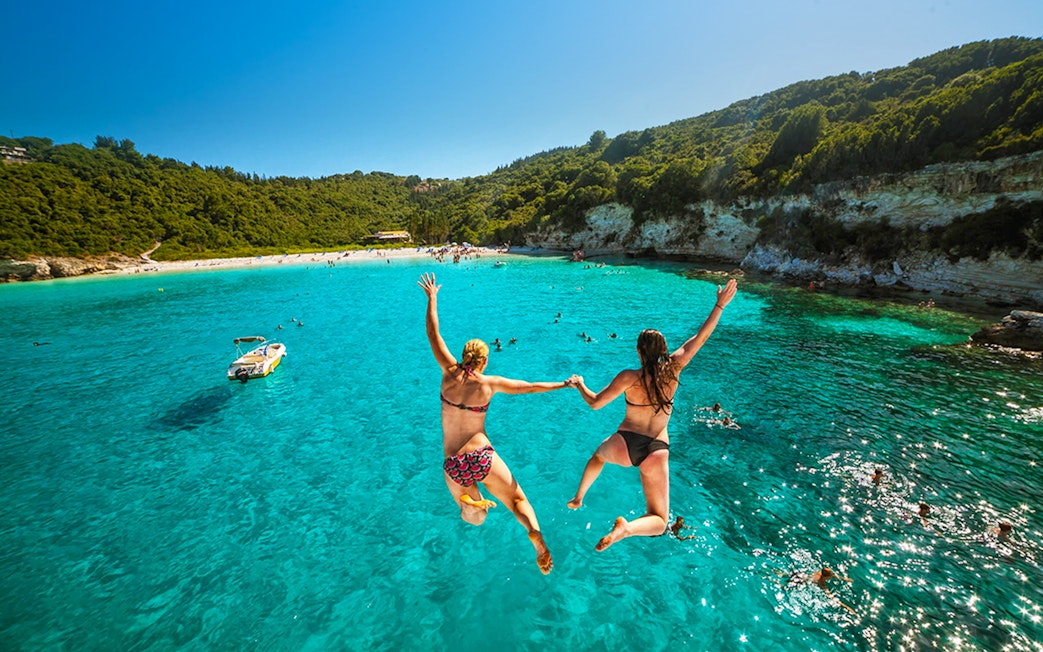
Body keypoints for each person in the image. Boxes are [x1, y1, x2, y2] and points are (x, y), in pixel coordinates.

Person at [566, 279, 739, 550]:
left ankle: (578, 497)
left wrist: (580, 384)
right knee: (659, 520)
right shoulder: (674, 368)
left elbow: (596, 403)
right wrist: (719, 305)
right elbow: (701, 337)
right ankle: (626, 529)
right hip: (657, 449)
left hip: (625, 444)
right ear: (664, 350)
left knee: (598, 457)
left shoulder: (629, 377)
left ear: (638, 351)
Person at [419, 272, 571, 574]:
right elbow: (529, 387)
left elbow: (433, 334)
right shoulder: (490, 384)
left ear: (463, 356)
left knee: (474, 519)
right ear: (484, 361)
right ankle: (534, 534)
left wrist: (432, 298)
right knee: (516, 500)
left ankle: (473, 505)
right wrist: (563, 384)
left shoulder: (448, 372)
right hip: (482, 456)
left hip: (454, 462)